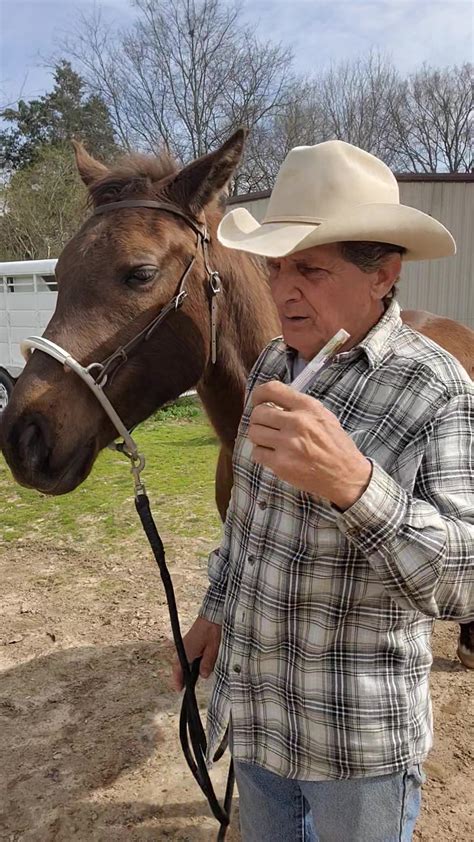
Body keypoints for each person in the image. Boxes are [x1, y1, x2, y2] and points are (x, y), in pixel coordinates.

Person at [172, 140, 474, 841]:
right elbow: (245, 523)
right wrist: (214, 611)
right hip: (257, 717)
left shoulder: (437, 387)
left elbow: (466, 580)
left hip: (355, 748)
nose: (282, 290)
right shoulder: (272, 365)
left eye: (309, 268)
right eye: (276, 265)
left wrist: (355, 486)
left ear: (384, 275)